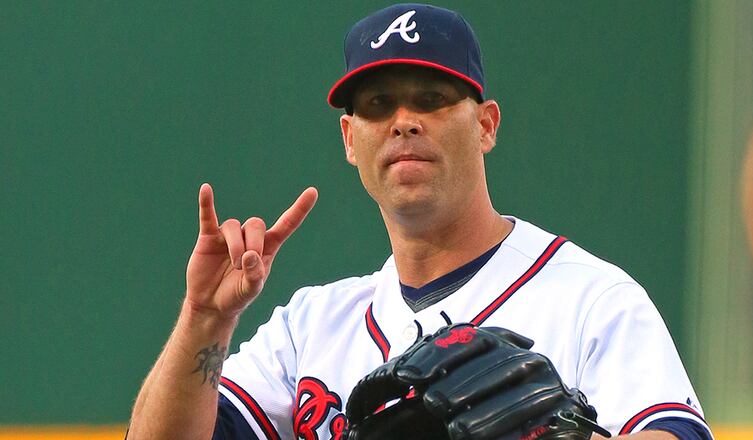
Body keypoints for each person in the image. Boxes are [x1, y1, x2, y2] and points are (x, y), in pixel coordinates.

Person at [127, 4, 713, 440]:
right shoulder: (308, 328)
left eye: (430, 98)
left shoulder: (593, 300)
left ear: (486, 124)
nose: (404, 121)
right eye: (378, 105)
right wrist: (205, 319)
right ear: (350, 139)